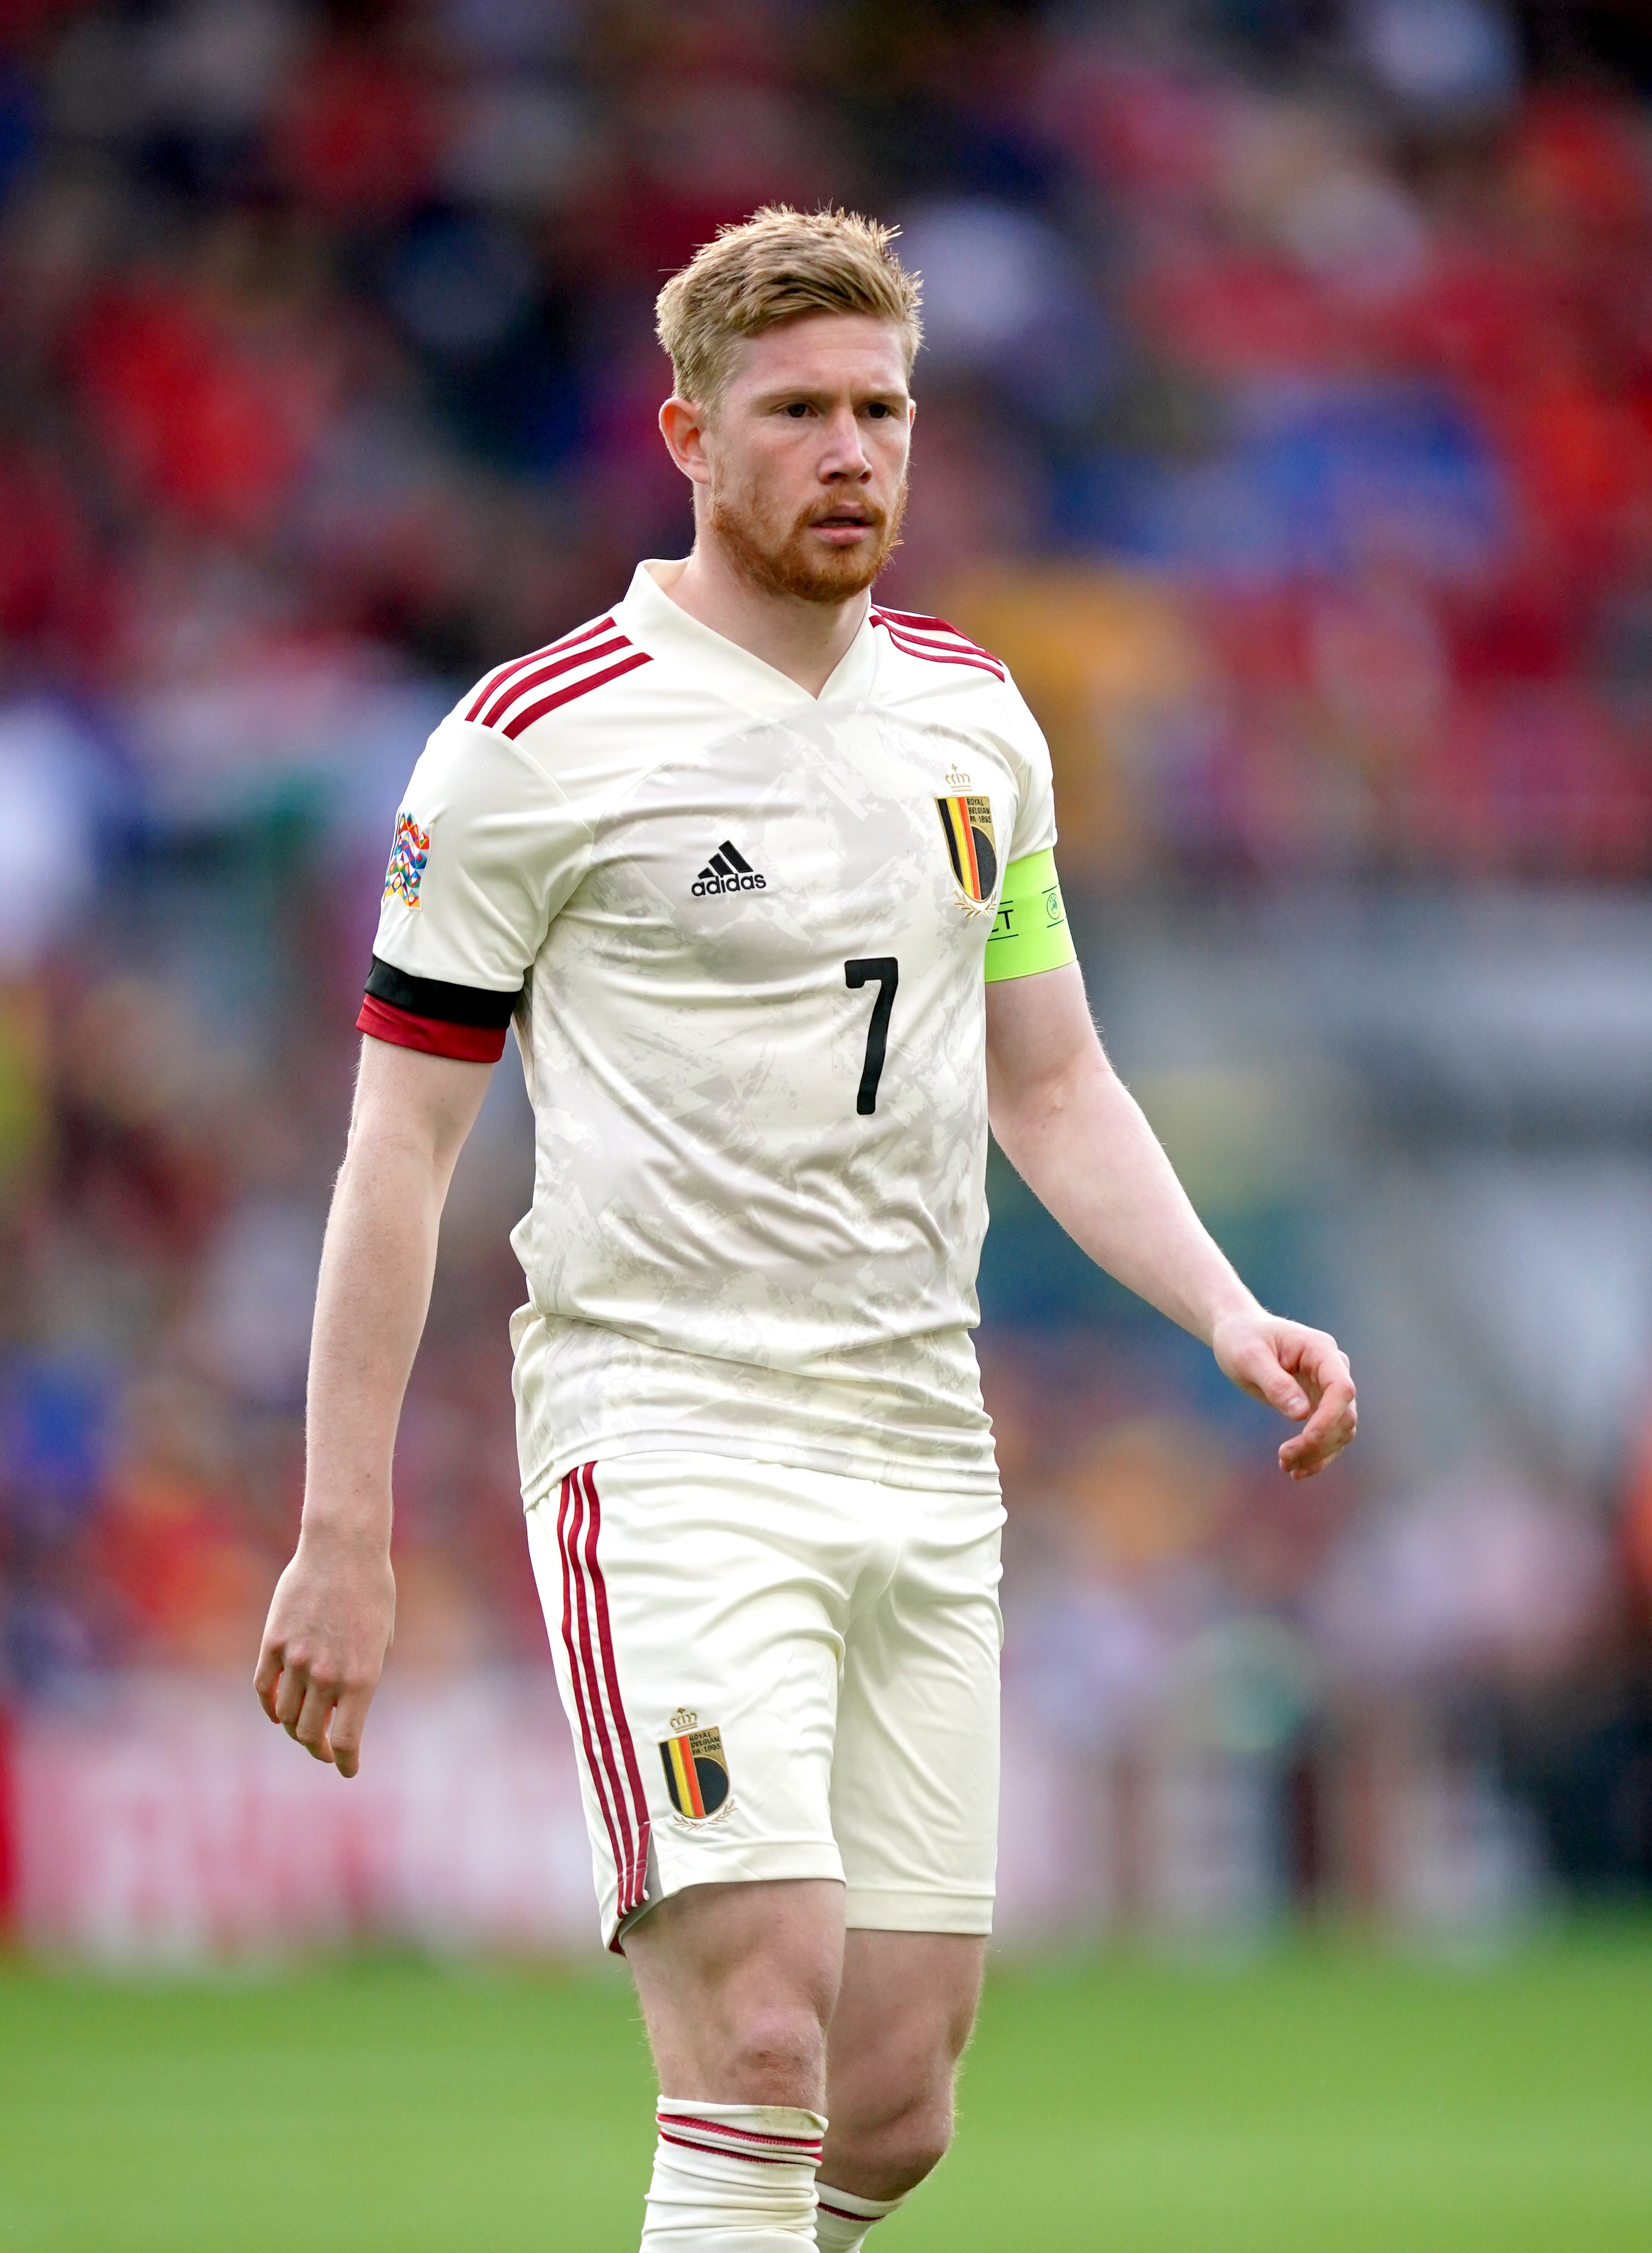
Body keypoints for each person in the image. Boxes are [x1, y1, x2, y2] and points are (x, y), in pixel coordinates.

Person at [255, 207, 1357, 2252]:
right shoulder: (529, 744)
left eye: (884, 410)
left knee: (893, 2100)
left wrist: (1225, 1306)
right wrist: (341, 1529)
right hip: (666, 1436)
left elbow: (1052, 1083)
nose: (853, 451)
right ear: (688, 432)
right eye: (798, 414)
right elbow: (395, 1152)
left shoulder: (980, 724)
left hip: (921, 1442)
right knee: (755, 2035)